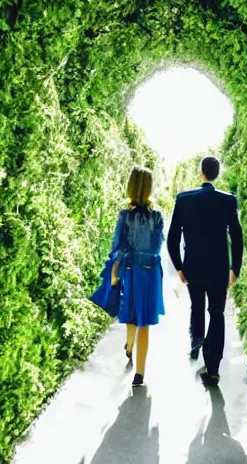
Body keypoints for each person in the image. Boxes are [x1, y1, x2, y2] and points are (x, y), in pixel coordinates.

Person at [167, 156, 243, 387]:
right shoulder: (228, 201)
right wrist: (235, 268)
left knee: (197, 305)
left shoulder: (184, 199)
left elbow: (172, 238)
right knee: (217, 313)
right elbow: (237, 237)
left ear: (201, 173)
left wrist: (179, 266)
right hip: (219, 268)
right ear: (216, 174)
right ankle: (212, 369)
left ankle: (196, 342)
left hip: (193, 267)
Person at [92, 166, 166, 387]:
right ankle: (139, 374)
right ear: (149, 188)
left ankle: (129, 346)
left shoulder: (124, 216)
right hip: (150, 272)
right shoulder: (158, 217)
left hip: (131, 270)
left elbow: (117, 247)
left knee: (131, 312)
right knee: (145, 322)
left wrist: (117, 265)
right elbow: (157, 246)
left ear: (131, 185)